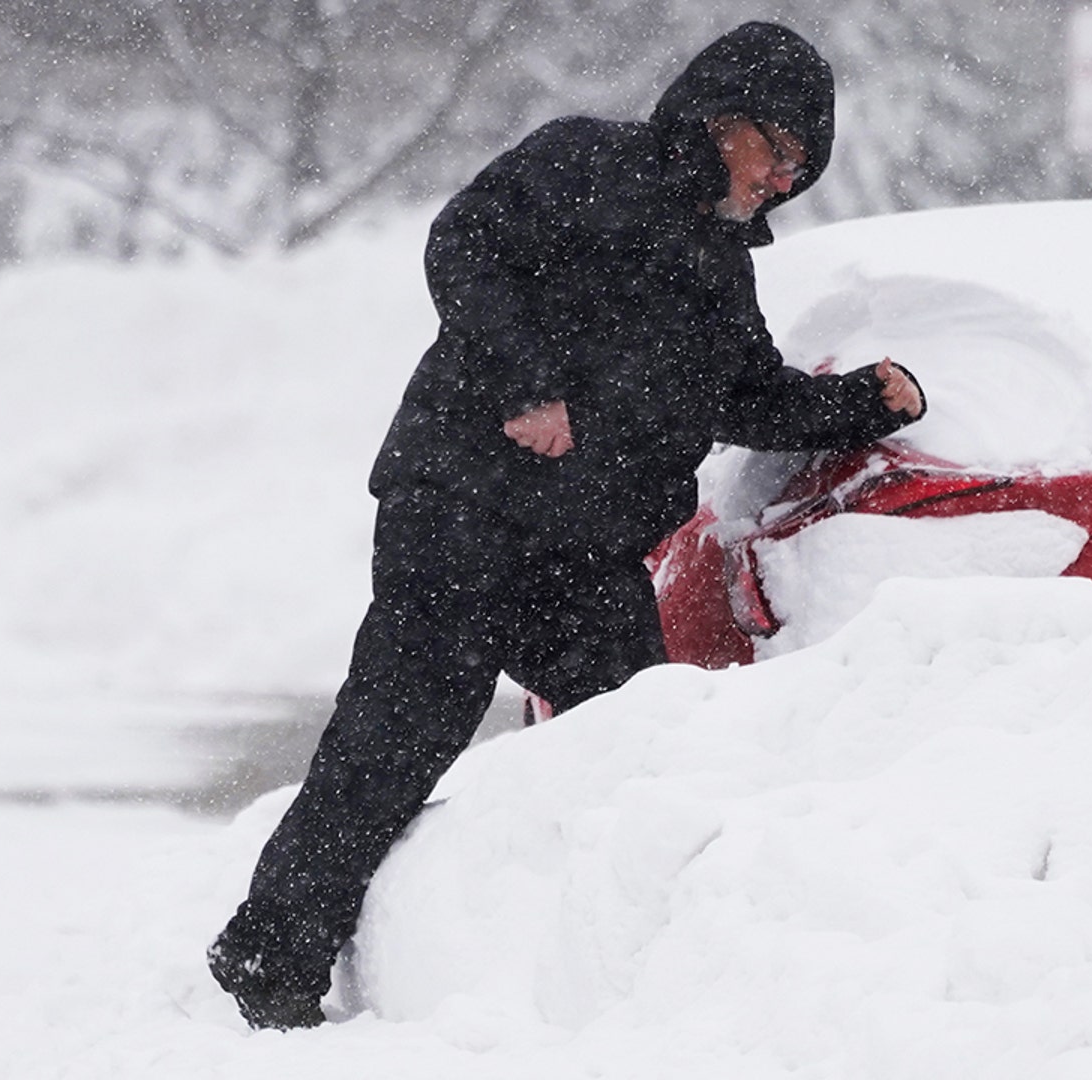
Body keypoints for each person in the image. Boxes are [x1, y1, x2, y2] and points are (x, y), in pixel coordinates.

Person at [207, 21, 925, 1031]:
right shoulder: (586, 160)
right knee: (405, 728)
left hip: (584, 553)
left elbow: (748, 399)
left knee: (626, 743)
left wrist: (864, 405)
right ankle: (269, 953)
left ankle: (579, 979)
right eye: (778, 150)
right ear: (723, 117)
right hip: (464, 504)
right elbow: (463, 243)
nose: (782, 179)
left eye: (802, 167)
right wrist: (524, 382)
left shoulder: (720, 266)